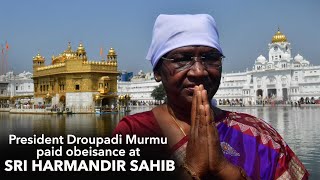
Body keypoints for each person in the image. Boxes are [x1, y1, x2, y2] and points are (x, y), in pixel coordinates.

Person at [112, 14, 309, 179]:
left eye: (210, 58)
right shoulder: (134, 132)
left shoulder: (258, 135)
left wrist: (226, 170)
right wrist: (193, 168)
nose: (199, 71)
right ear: (157, 71)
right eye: (182, 59)